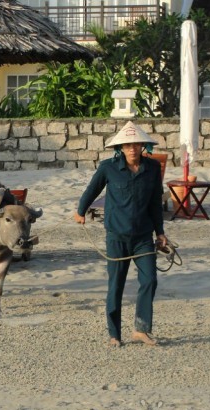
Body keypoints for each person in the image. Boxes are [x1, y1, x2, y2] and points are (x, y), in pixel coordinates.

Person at [73, 121, 168, 347]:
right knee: (116, 284)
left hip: (144, 237)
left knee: (150, 280)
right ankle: (114, 334)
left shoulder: (152, 169)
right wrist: (80, 211)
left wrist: (160, 232)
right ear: (120, 148)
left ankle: (141, 329)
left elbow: (155, 202)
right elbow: (91, 190)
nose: (132, 149)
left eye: (135, 144)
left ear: (143, 146)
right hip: (116, 236)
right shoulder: (108, 168)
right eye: (127, 145)